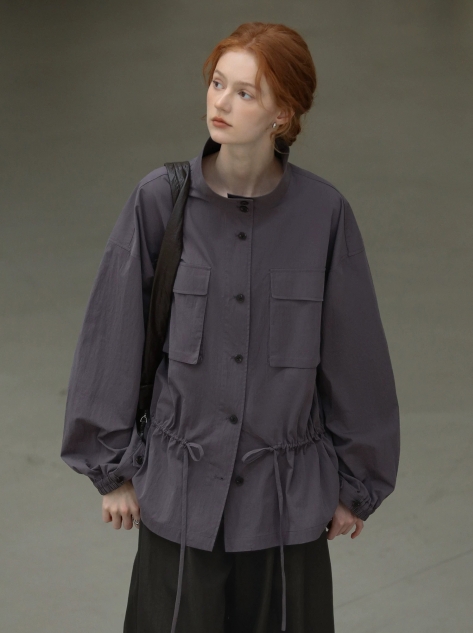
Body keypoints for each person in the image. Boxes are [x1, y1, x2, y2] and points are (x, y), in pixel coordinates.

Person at [61, 21, 400, 633]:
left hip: (286, 510)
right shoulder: (159, 203)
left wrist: (356, 486)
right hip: (179, 500)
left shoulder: (324, 215)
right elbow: (111, 338)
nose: (221, 102)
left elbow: (357, 358)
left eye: (245, 93)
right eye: (218, 83)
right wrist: (112, 471)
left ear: (282, 114)